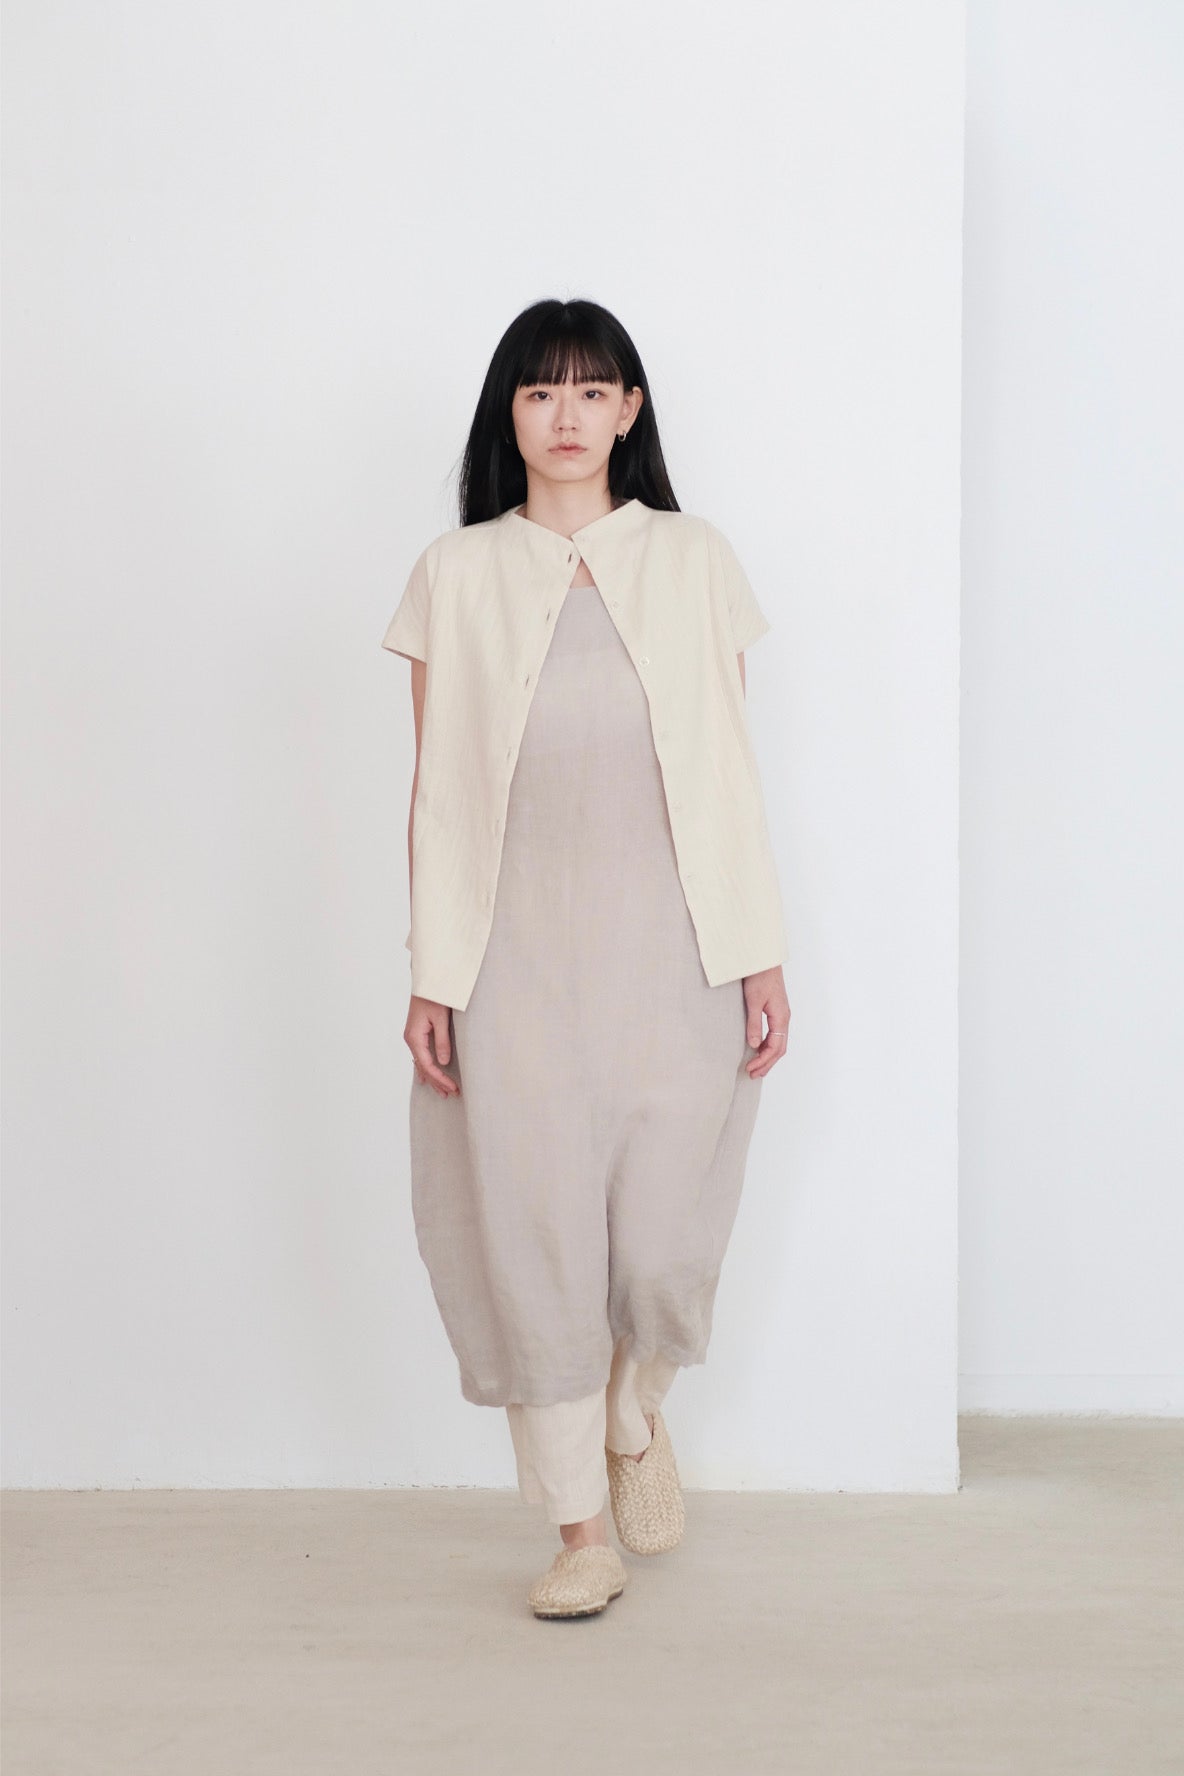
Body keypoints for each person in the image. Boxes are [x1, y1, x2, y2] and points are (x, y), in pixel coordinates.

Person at [380, 298, 791, 1619]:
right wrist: (434, 971)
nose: (567, 417)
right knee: (535, 1233)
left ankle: (634, 1408)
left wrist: (761, 953)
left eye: (592, 391)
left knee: (664, 1241)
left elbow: (728, 773)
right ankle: (578, 1535)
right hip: (515, 960)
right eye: (540, 392)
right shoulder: (455, 572)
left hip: (677, 948)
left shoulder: (694, 556)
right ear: (509, 414)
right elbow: (440, 791)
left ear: (630, 411)